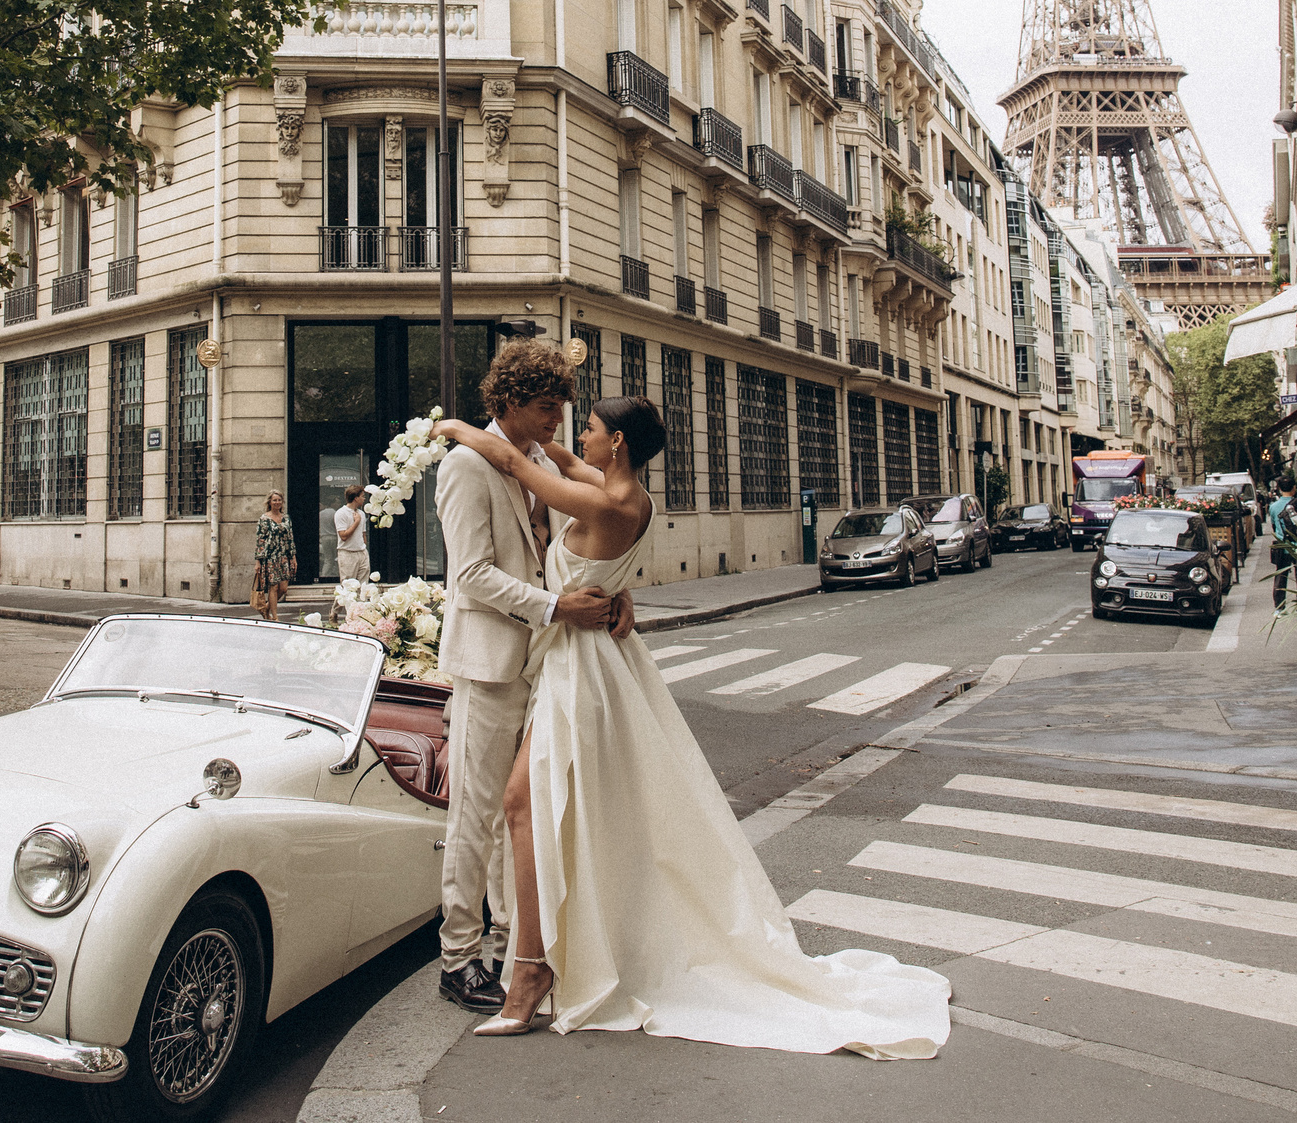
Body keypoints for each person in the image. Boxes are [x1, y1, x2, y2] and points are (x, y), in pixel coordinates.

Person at [438, 397, 951, 1059]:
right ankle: (549, 954)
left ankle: (533, 967)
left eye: (588, 427)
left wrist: (452, 427)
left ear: (616, 443)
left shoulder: (604, 503)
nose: (574, 435)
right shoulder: (628, 496)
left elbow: (517, 463)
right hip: (582, 663)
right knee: (544, 809)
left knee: (525, 806)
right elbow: (552, 461)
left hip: (580, 670)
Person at [431, 340, 619, 1018]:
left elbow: (571, 545)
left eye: (562, 408)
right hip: (489, 664)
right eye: (545, 407)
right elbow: (471, 575)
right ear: (508, 401)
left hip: (545, 663)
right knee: (473, 814)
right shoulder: (464, 466)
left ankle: (513, 948)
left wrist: (610, 594)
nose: (556, 420)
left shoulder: (538, 462)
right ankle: (458, 958)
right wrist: (554, 607)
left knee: (523, 810)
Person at [251, 493, 295, 622]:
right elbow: (260, 540)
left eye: (279, 500)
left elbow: (290, 538)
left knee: (283, 588)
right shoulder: (264, 519)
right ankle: (275, 617)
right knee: (273, 587)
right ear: (269, 502)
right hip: (270, 556)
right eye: (274, 500)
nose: (277, 502)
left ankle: (266, 608)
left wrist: (293, 557)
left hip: (284, 556)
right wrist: (258, 561)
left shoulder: (286, 518)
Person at [332, 484, 371, 584]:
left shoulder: (361, 513)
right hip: (347, 553)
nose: (364, 499)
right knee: (349, 586)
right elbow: (343, 536)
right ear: (356, 498)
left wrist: (364, 548)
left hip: (362, 552)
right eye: (362, 496)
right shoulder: (341, 513)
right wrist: (356, 522)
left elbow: (363, 535)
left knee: (364, 585)